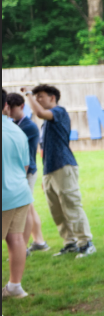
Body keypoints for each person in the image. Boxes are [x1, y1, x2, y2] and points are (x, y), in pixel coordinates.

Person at [22, 84, 95, 258]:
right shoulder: (46, 124)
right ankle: (70, 243)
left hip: (64, 166)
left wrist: (28, 95)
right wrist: (45, 175)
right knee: (57, 210)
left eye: (41, 96)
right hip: (50, 170)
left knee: (71, 205)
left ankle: (86, 243)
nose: (38, 99)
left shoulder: (59, 112)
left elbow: (39, 113)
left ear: (52, 98)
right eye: (36, 96)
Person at [5, 93, 49, 253]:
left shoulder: (27, 126)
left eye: (12, 108)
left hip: (26, 171)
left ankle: (24, 247)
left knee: (26, 208)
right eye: (7, 107)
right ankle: (39, 242)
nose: (9, 111)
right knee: (29, 207)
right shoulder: (15, 124)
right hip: (21, 171)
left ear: (21, 106)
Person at [3, 88, 35, 304]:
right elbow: (25, 166)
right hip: (20, 193)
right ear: (5, 105)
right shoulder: (17, 131)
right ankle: (15, 286)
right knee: (16, 239)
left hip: (5, 196)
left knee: (14, 238)